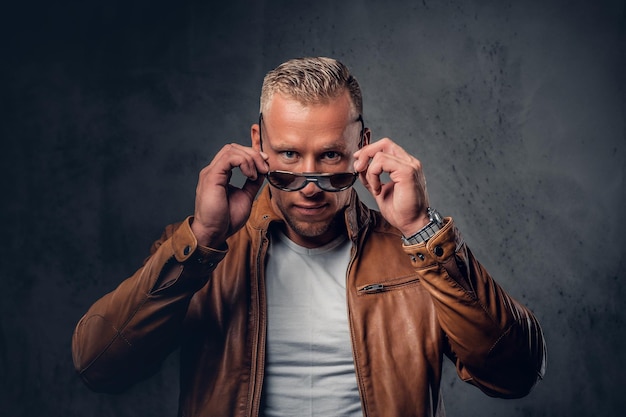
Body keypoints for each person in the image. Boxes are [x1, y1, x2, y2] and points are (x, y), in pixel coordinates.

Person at [72, 57, 546, 417]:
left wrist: (421, 230)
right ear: (258, 145)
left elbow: (514, 374)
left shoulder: (416, 255)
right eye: (289, 156)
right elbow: (100, 367)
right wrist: (202, 238)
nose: (311, 183)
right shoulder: (206, 252)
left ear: (362, 148)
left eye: (331, 157)